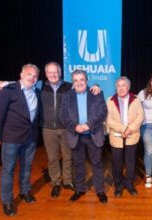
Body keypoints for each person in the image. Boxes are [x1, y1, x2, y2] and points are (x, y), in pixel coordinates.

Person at [0, 62, 100, 199]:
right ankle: (56, 182)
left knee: (68, 157)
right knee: (52, 158)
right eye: (50, 72)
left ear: (60, 73)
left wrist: (96, 85)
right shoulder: (39, 85)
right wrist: (3, 83)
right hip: (47, 129)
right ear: (45, 74)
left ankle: (67, 181)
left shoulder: (69, 86)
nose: (53, 75)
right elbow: (22, 82)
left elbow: (83, 86)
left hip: (66, 128)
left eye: (55, 72)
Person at [0, 64, 40, 216]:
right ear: (21, 74)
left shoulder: (36, 90)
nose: (32, 77)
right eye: (29, 74)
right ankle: (7, 201)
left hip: (30, 138)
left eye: (35, 76)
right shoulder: (7, 90)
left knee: (27, 167)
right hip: (11, 138)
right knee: (8, 170)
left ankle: (25, 192)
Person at [59, 69, 108, 204]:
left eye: (82, 79)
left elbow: (103, 112)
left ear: (86, 80)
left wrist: (88, 125)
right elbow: (63, 116)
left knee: (97, 164)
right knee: (78, 164)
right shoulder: (66, 96)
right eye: (76, 80)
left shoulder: (96, 93)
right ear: (73, 82)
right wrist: (75, 126)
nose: (79, 83)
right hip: (76, 135)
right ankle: (80, 189)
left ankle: (99, 190)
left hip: (93, 134)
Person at [106, 76, 144, 197]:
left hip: (132, 136)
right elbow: (108, 119)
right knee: (117, 162)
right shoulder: (110, 100)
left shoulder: (136, 100)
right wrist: (123, 129)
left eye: (124, 85)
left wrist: (129, 129)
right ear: (116, 87)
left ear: (128, 87)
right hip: (116, 136)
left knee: (131, 161)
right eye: (119, 86)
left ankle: (129, 183)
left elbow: (140, 117)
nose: (121, 88)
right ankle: (118, 185)